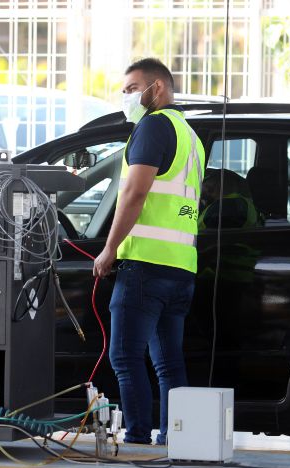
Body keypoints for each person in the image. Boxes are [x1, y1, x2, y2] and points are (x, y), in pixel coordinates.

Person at [92, 58, 205, 446]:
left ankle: (137, 436)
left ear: (157, 89)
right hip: (180, 267)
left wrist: (109, 249)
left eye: (132, 88)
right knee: (168, 362)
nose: (126, 97)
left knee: (124, 357)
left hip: (145, 265)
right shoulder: (190, 135)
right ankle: (175, 437)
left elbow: (135, 192)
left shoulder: (153, 126)